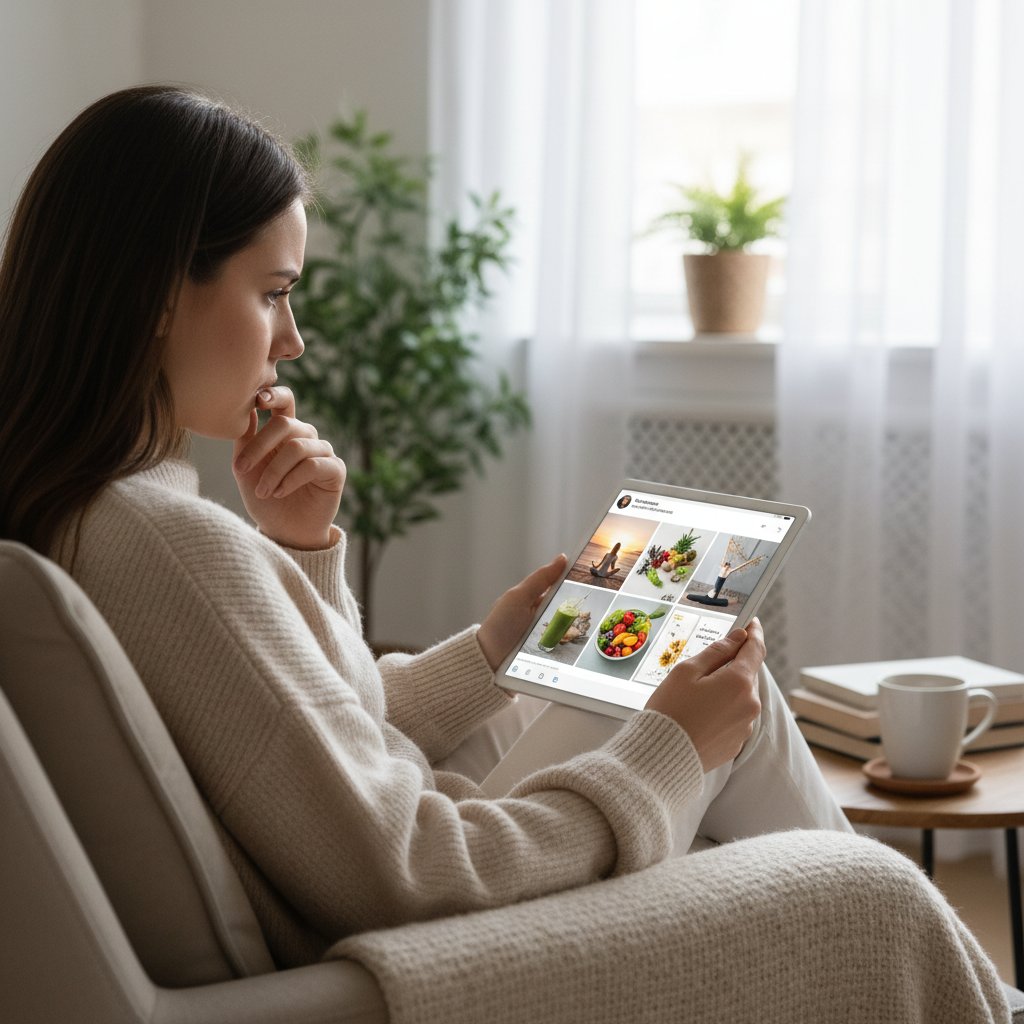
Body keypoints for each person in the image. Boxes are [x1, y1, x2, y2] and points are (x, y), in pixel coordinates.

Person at [0, 89, 1009, 1024]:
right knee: (769, 774)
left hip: (355, 889)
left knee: (668, 679)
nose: (292, 339)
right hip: (395, 938)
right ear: (158, 292)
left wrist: (367, 588)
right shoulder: (172, 546)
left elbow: (292, 743)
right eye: (272, 292)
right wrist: (666, 752)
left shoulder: (83, 511)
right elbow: (399, 865)